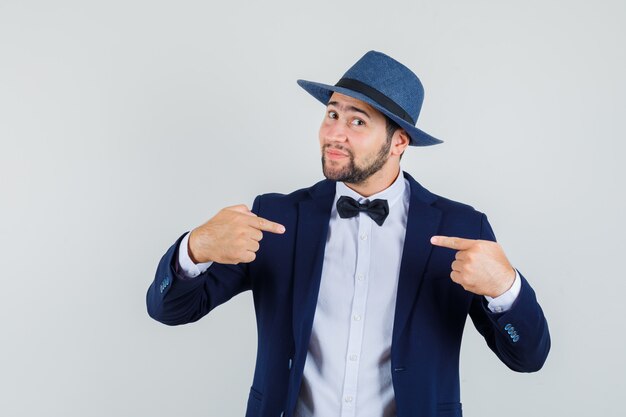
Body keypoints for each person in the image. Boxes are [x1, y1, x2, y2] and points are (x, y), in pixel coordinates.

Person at [146, 50, 550, 417]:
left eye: (358, 121)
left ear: (399, 142)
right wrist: (194, 249)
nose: (334, 134)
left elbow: (527, 356)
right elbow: (171, 310)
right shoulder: (276, 218)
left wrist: (505, 289)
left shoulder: (459, 228)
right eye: (332, 114)